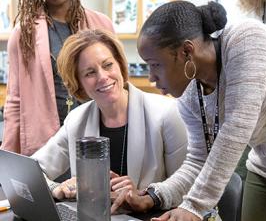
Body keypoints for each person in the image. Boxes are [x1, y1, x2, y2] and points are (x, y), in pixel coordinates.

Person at [117, 0, 266, 221]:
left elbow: (237, 127)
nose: (151, 78)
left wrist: (193, 207)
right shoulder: (191, 95)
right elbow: (200, 159)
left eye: (155, 64)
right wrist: (154, 196)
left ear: (186, 52)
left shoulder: (247, 40)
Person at [31, 29, 188, 210]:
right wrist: (56, 189)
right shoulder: (76, 120)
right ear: (78, 82)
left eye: (107, 65)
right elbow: (33, 171)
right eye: (90, 73)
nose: (103, 77)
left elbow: (187, 186)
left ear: (120, 65)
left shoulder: (167, 113)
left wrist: (146, 194)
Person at [1, 0, 115, 156]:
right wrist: (8, 155)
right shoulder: (24, 34)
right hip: (50, 140)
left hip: (97, 131)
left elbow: (120, 82)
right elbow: (15, 99)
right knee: (54, 188)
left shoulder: (101, 24)